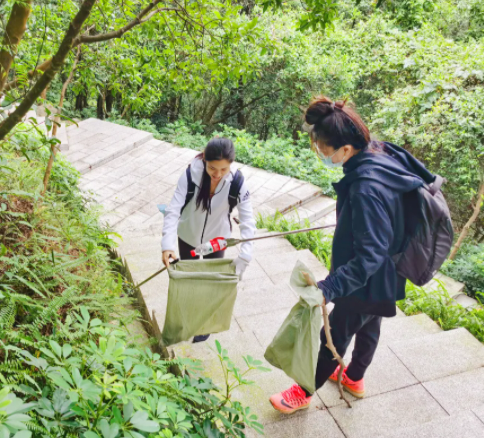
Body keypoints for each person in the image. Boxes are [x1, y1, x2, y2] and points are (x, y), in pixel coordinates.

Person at [270, 97, 437, 414]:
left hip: (365, 277)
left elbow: (369, 255)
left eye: (323, 150)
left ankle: (303, 392)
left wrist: (330, 286)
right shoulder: (378, 150)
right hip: (390, 268)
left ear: (345, 149)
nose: (322, 154)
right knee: (371, 324)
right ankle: (355, 378)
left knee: (333, 334)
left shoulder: (364, 189)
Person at [161, 137, 256, 343]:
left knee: (212, 284)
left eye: (223, 169)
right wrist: (167, 245)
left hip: (217, 240)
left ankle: (203, 328)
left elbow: (248, 221)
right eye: (213, 168)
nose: (217, 174)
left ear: (230, 165)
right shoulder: (189, 175)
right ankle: (185, 322)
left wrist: (246, 255)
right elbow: (173, 210)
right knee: (189, 283)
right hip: (188, 236)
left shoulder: (238, 183)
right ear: (204, 159)